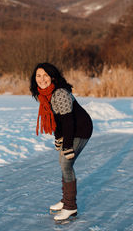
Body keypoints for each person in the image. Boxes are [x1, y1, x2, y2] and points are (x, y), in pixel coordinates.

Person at [30, 62, 93, 221]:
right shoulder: (42, 94)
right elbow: (55, 118)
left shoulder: (59, 93)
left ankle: (70, 207)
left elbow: (67, 121)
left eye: (45, 75)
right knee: (63, 162)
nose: (42, 79)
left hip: (80, 128)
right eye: (38, 75)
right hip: (68, 128)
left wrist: (67, 145)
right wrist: (58, 138)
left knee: (66, 162)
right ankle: (66, 200)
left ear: (53, 77)